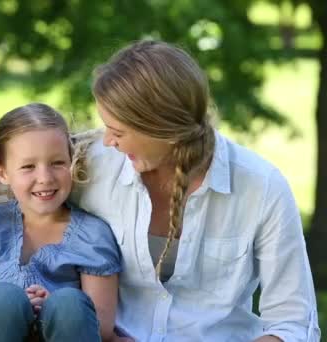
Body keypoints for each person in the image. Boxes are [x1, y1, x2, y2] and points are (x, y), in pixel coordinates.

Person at [70, 40, 321, 341]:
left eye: (118, 131)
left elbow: (293, 321)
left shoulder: (261, 187)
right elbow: (16, 186)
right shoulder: (92, 167)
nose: (108, 141)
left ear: (164, 129)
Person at [0, 103, 125, 341]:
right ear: (3, 173)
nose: (45, 178)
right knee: (4, 297)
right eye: (28, 167)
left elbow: (102, 327)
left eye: (57, 163)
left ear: (71, 161)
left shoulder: (92, 235)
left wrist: (50, 306)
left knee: (68, 302)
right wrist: (21, 303)